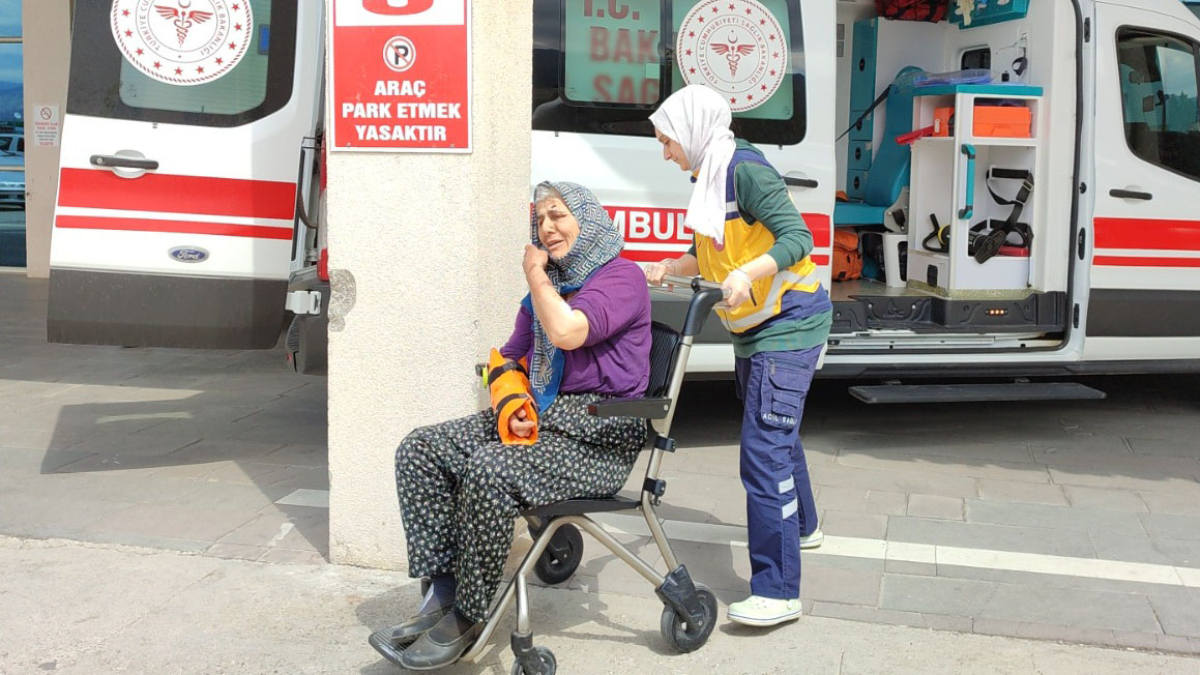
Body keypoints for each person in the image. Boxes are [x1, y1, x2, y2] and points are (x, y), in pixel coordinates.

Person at [370, 181, 652, 670]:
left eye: (558, 215)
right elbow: (509, 358)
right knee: (421, 449)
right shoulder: (547, 289)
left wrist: (535, 274)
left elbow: (567, 331)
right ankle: (442, 592)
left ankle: (469, 616)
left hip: (599, 435)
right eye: (539, 219)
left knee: (490, 468)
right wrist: (511, 398)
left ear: (587, 219)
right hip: (542, 420)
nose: (547, 228)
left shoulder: (621, 277)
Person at [644, 85, 831, 628]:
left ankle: (778, 591)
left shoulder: (744, 170)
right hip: (756, 329)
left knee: (763, 451)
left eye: (667, 141)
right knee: (777, 433)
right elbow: (709, 250)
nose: (666, 153)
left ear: (692, 132)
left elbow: (798, 238)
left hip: (789, 323)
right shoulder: (709, 175)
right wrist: (671, 268)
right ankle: (804, 527)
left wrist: (748, 274)